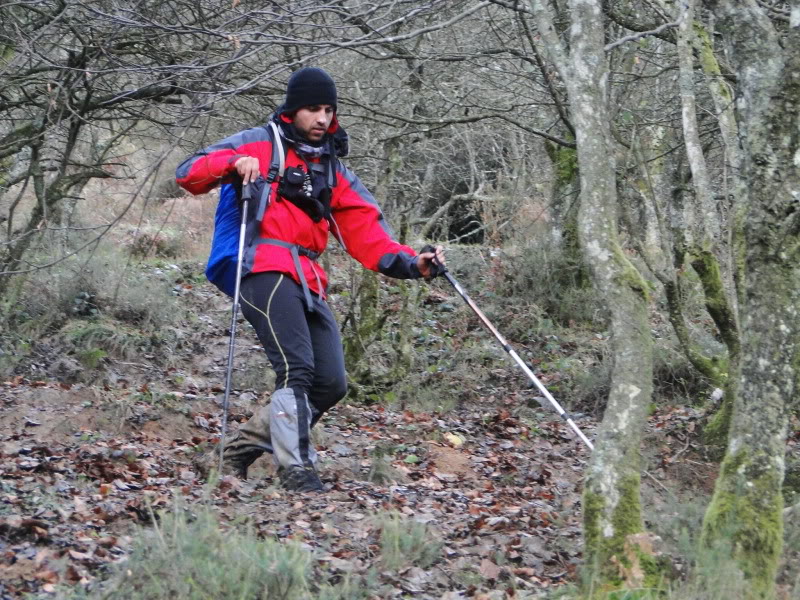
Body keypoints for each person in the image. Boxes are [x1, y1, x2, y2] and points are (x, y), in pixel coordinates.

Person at [176, 67, 444, 492]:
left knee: (331, 383)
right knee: (296, 370)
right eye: (312, 109)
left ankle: (229, 458)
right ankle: (297, 471)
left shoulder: (332, 168)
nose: (322, 118)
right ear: (292, 110)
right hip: (258, 264)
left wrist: (414, 263)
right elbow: (188, 172)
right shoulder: (259, 143)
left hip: (308, 275)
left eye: (328, 110)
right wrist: (232, 162)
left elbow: (367, 233)